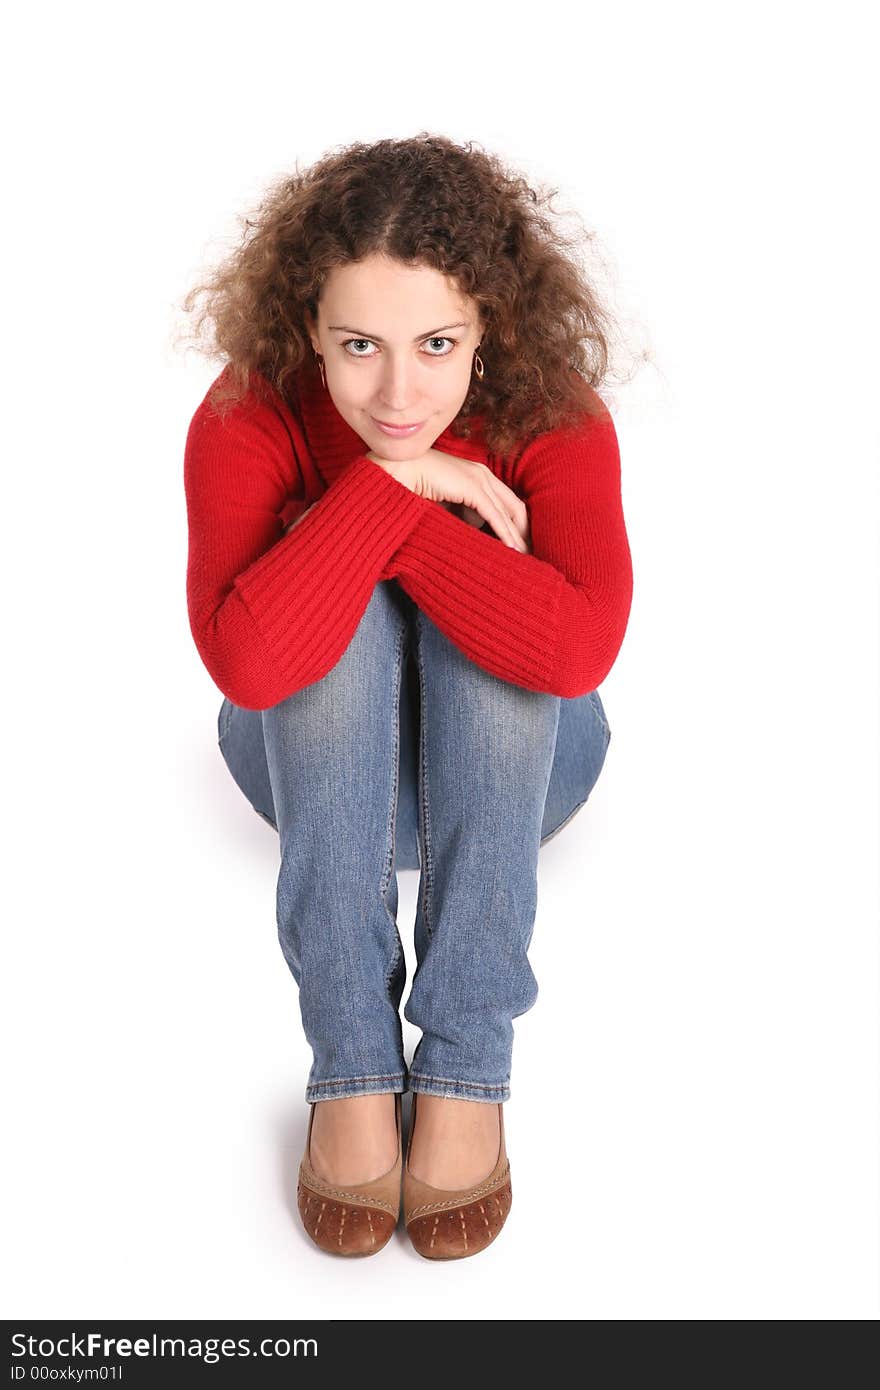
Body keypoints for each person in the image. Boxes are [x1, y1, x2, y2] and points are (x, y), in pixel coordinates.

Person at [180, 132, 634, 1260]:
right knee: (316, 619)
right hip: (315, 780)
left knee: (509, 633)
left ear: (488, 328)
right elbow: (249, 665)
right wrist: (387, 489)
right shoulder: (246, 414)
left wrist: (404, 530)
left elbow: (577, 653)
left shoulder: (554, 414)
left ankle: (467, 1061)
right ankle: (351, 1061)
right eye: (357, 346)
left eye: (436, 344)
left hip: (524, 782)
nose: (397, 391)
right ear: (308, 336)